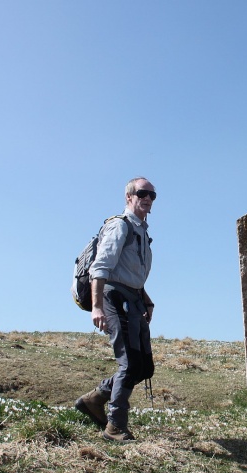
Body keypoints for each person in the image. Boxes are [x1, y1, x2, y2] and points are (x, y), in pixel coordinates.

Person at [75, 177, 156, 442]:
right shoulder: (119, 226)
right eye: (142, 193)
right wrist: (96, 307)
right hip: (113, 297)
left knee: (143, 367)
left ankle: (94, 400)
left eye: (152, 195)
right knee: (129, 362)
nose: (147, 198)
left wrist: (145, 298)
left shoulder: (142, 231)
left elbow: (132, 273)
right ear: (129, 197)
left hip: (133, 299)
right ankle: (115, 426)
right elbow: (101, 268)